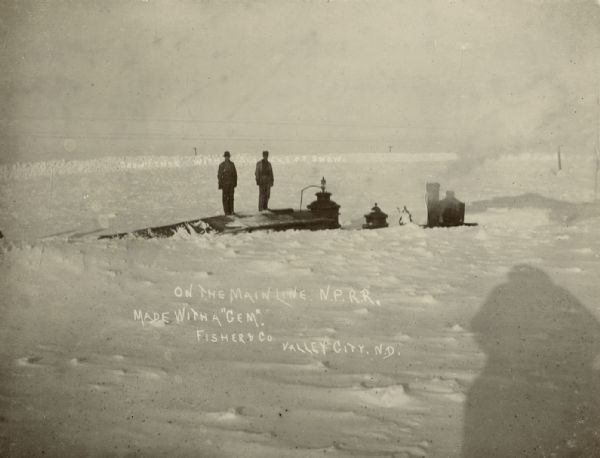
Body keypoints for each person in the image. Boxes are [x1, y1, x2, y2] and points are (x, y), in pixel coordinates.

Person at [217, 151, 237, 215]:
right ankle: (226, 212)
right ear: (224, 157)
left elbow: (235, 174)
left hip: (231, 184)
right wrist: (220, 184)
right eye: (226, 156)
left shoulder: (232, 164)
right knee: (225, 198)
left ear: (229, 157)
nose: (227, 158)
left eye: (228, 156)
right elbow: (219, 175)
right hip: (225, 185)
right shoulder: (221, 165)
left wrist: (235, 182)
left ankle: (231, 210)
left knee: (231, 198)